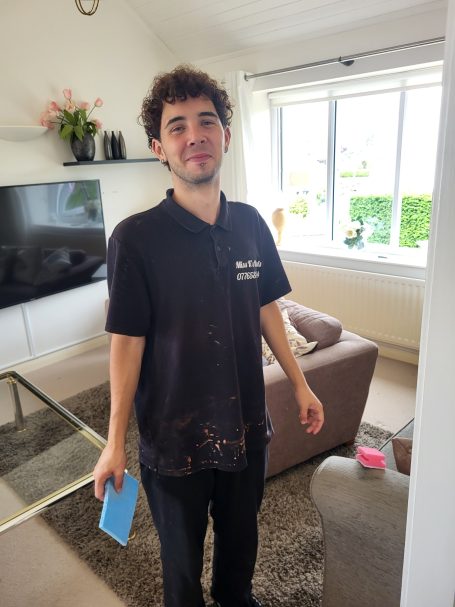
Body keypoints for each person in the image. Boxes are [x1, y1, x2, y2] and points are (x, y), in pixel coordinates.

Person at [93, 65, 324, 607]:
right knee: (181, 564)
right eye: (177, 126)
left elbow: (266, 306)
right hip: (173, 440)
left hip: (247, 426)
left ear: (225, 135)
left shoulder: (251, 224)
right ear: (159, 148)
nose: (194, 135)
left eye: (206, 121)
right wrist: (114, 441)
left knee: (241, 542)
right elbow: (126, 342)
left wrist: (300, 384)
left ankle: (234, 597)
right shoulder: (134, 239)